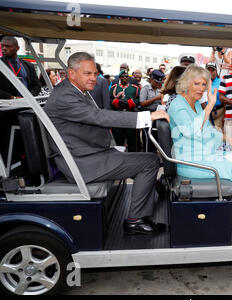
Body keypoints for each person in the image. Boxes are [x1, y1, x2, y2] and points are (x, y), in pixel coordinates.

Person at [44, 52, 170, 235]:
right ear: (71, 73)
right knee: (150, 161)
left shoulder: (71, 90)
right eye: (87, 74)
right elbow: (99, 116)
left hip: (89, 153)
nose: (94, 78)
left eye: (95, 73)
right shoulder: (65, 97)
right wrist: (147, 116)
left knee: (139, 159)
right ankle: (136, 220)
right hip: (83, 163)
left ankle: (152, 189)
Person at [167, 65, 232, 231]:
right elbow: (191, 131)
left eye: (204, 84)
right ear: (186, 83)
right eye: (197, 84)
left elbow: (207, 130)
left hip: (202, 154)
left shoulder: (195, 104)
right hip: (189, 160)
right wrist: (209, 106)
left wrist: (228, 138)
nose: (201, 89)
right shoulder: (178, 105)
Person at [110, 69, 141, 152]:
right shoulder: (114, 88)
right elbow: (110, 99)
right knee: (118, 138)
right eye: (123, 76)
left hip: (130, 115)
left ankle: (132, 156)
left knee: (132, 138)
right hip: (118, 115)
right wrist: (118, 103)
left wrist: (128, 103)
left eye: (126, 76)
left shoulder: (134, 88)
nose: (125, 78)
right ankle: (118, 155)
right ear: (119, 78)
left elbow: (138, 100)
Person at [205, 62, 225, 132]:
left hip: (218, 113)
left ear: (216, 71)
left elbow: (225, 99)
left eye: (212, 70)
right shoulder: (202, 82)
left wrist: (224, 117)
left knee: (217, 135)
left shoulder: (221, 82)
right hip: (205, 113)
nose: (210, 72)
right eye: (208, 70)